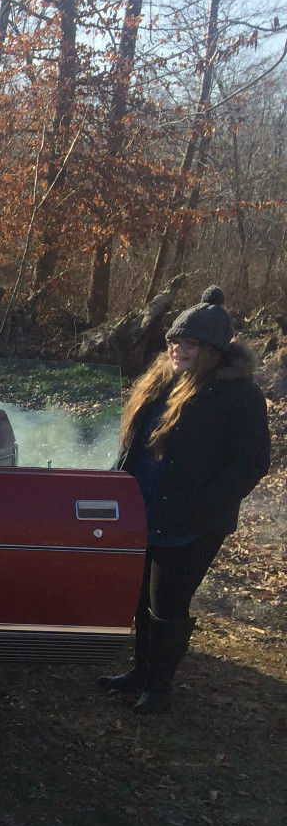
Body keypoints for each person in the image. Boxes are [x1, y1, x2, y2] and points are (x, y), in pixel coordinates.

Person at [97, 286, 270, 714]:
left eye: (190, 343)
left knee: (168, 603)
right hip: (143, 510)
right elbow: (135, 446)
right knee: (140, 597)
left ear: (212, 351)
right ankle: (140, 673)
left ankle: (159, 688)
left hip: (192, 523)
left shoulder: (237, 396)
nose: (178, 349)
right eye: (175, 341)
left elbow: (250, 463)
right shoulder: (159, 384)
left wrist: (201, 505)